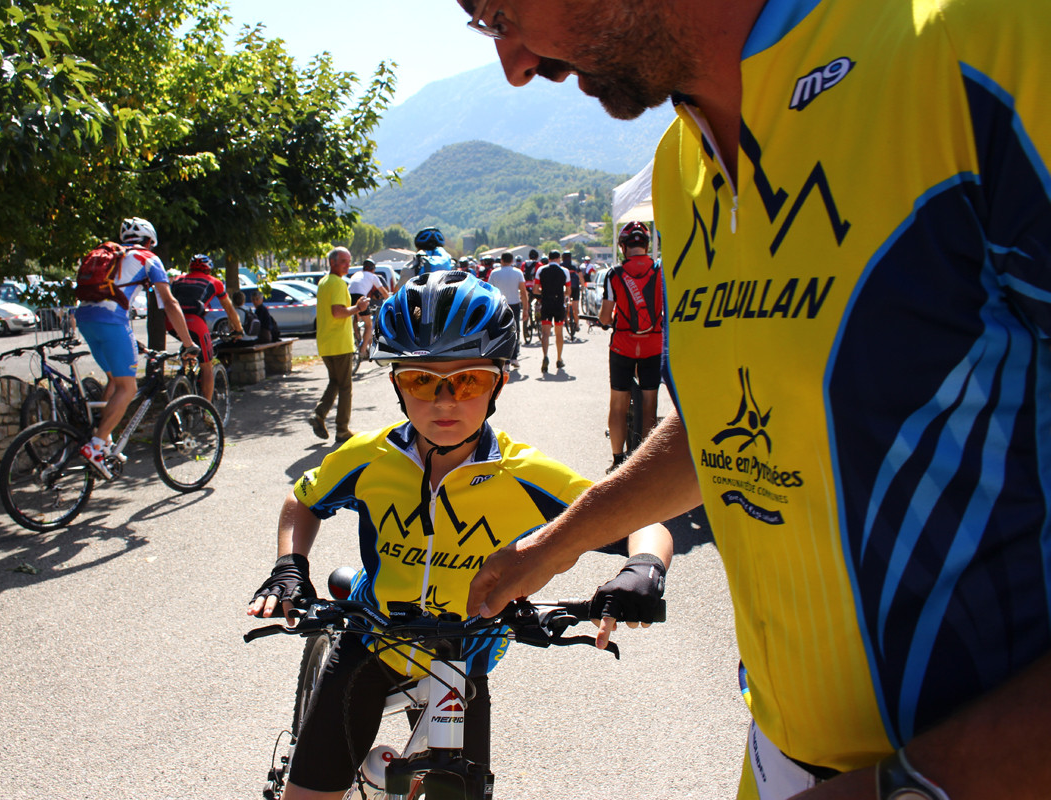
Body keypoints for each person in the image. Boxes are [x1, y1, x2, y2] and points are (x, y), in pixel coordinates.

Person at [455, 1, 1051, 797]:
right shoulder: (678, 164)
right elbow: (728, 427)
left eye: (500, 12)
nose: (515, 65)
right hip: (778, 761)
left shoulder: (987, 45)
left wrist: (921, 783)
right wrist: (559, 542)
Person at [248, 271, 673, 800]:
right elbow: (303, 501)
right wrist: (290, 565)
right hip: (372, 637)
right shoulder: (369, 457)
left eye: (467, 380)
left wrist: (643, 567)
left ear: (500, 380)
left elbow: (640, 520)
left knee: (454, 791)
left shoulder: (523, 474)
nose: (444, 401)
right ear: (396, 384)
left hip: (464, 654)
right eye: (421, 381)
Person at [74, 217, 195, 478]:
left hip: (85, 318)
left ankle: (104, 442)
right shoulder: (148, 257)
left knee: (114, 380)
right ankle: (96, 446)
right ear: (150, 241)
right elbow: (169, 303)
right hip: (112, 321)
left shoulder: (112, 254)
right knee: (128, 388)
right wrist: (188, 343)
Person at [600, 222, 664, 474]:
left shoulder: (614, 274)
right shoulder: (660, 271)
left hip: (623, 345)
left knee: (618, 402)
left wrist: (611, 320)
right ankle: (644, 461)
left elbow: (605, 317)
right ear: (646, 245)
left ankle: (617, 460)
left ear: (623, 246)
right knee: (650, 402)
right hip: (653, 344)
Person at [310, 247, 368, 443]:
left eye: (348, 260)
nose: (347, 265)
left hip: (326, 343)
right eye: (343, 261)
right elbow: (338, 312)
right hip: (339, 343)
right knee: (345, 387)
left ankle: (319, 413)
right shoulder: (337, 283)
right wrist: (358, 308)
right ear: (332, 262)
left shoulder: (324, 282)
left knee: (335, 381)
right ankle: (342, 429)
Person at [168, 254, 245, 402]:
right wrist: (238, 329)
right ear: (209, 269)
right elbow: (229, 309)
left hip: (172, 323)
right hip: (195, 322)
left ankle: (182, 376)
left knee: (188, 344)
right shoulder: (213, 282)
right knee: (207, 365)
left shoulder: (178, 280)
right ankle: (207, 411)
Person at [486, 251, 529, 371]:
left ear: (502, 261)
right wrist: (526, 308)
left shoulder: (494, 273)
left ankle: (505, 360)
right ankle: (514, 357)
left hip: (499, 305)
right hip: (514, 304)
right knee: (515, 330)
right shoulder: (518, 273)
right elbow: (523, 292)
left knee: (501, 332)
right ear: (512, 261)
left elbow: (490, 292)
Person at [533, 250, 570, 373]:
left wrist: (543, 293)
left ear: (548, 259)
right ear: (559, 258)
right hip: (559, 303)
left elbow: (535, 289)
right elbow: (568, 291)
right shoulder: (565, 271)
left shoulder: (541, 270)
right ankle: (559, 359)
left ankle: (545, 356)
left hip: (546, 303)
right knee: (559, 333)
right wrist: (561, 294)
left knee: (545, 333)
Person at [346, 258, 390, 360]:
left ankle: (357, 341)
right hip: (360, 297)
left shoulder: (356, 274)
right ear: (373, 269)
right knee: (369, 325)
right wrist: (390, 301)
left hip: (348, 297)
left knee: (355, 321)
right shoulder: (373, 276)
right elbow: (384, 292)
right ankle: (362, 350)